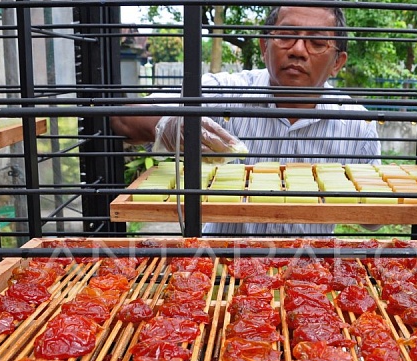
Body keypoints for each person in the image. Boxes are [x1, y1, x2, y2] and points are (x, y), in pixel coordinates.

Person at [110, 5, 381, 236]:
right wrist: (167, 125)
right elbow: (121, 117)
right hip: (222, 266)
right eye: (286, 36)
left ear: (337, 62)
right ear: (264, 46)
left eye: (317, 43)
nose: (298, 50)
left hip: (311, 273)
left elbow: (373, 223)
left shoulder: (358, 125)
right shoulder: (223, 92)